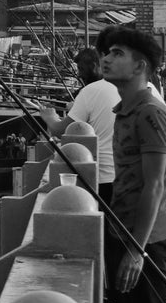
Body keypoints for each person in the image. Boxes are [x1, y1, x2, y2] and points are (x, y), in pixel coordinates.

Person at [97, 26, 166, 303]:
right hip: (125, 233)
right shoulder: (125, 110)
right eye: (107, 52)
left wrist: (136, 250)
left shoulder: (149, 113)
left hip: (147, 241)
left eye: (117, 53)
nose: (106, 58)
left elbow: (155, 186)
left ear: (139, 66)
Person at [34, 47, 118, 206]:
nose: (79, 74)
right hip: (127, 175)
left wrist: (49, 117)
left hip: (101, 176)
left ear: (95, 65)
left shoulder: (89, 91)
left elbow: (59, 131)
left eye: (81, 69)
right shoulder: (126, 87)